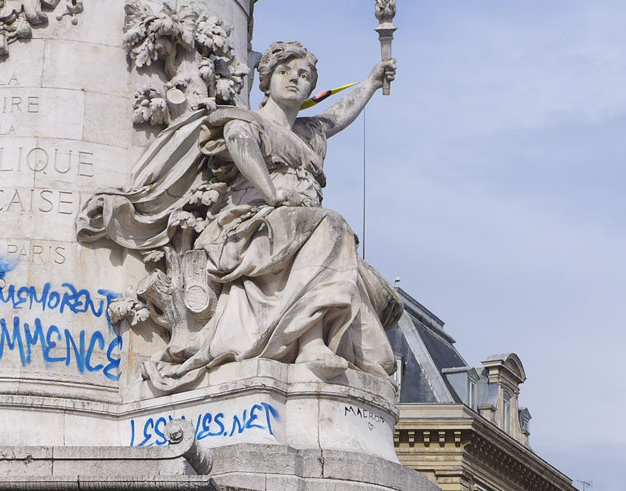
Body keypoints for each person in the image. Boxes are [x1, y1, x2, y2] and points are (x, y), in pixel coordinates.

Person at [79, 43, 402, 392]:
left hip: (300, 223)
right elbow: (239, 145)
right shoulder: (246, 121)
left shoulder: (309, 133)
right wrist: (275, 194)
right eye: (285, 72)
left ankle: (346, 354)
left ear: (311, 88)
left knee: (384, 297)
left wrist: (370, 82)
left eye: (304, 76)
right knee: (330, 226)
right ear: (266, 80)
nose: (295, 79)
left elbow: (338, 116)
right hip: (250, 223)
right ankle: (310, 345)